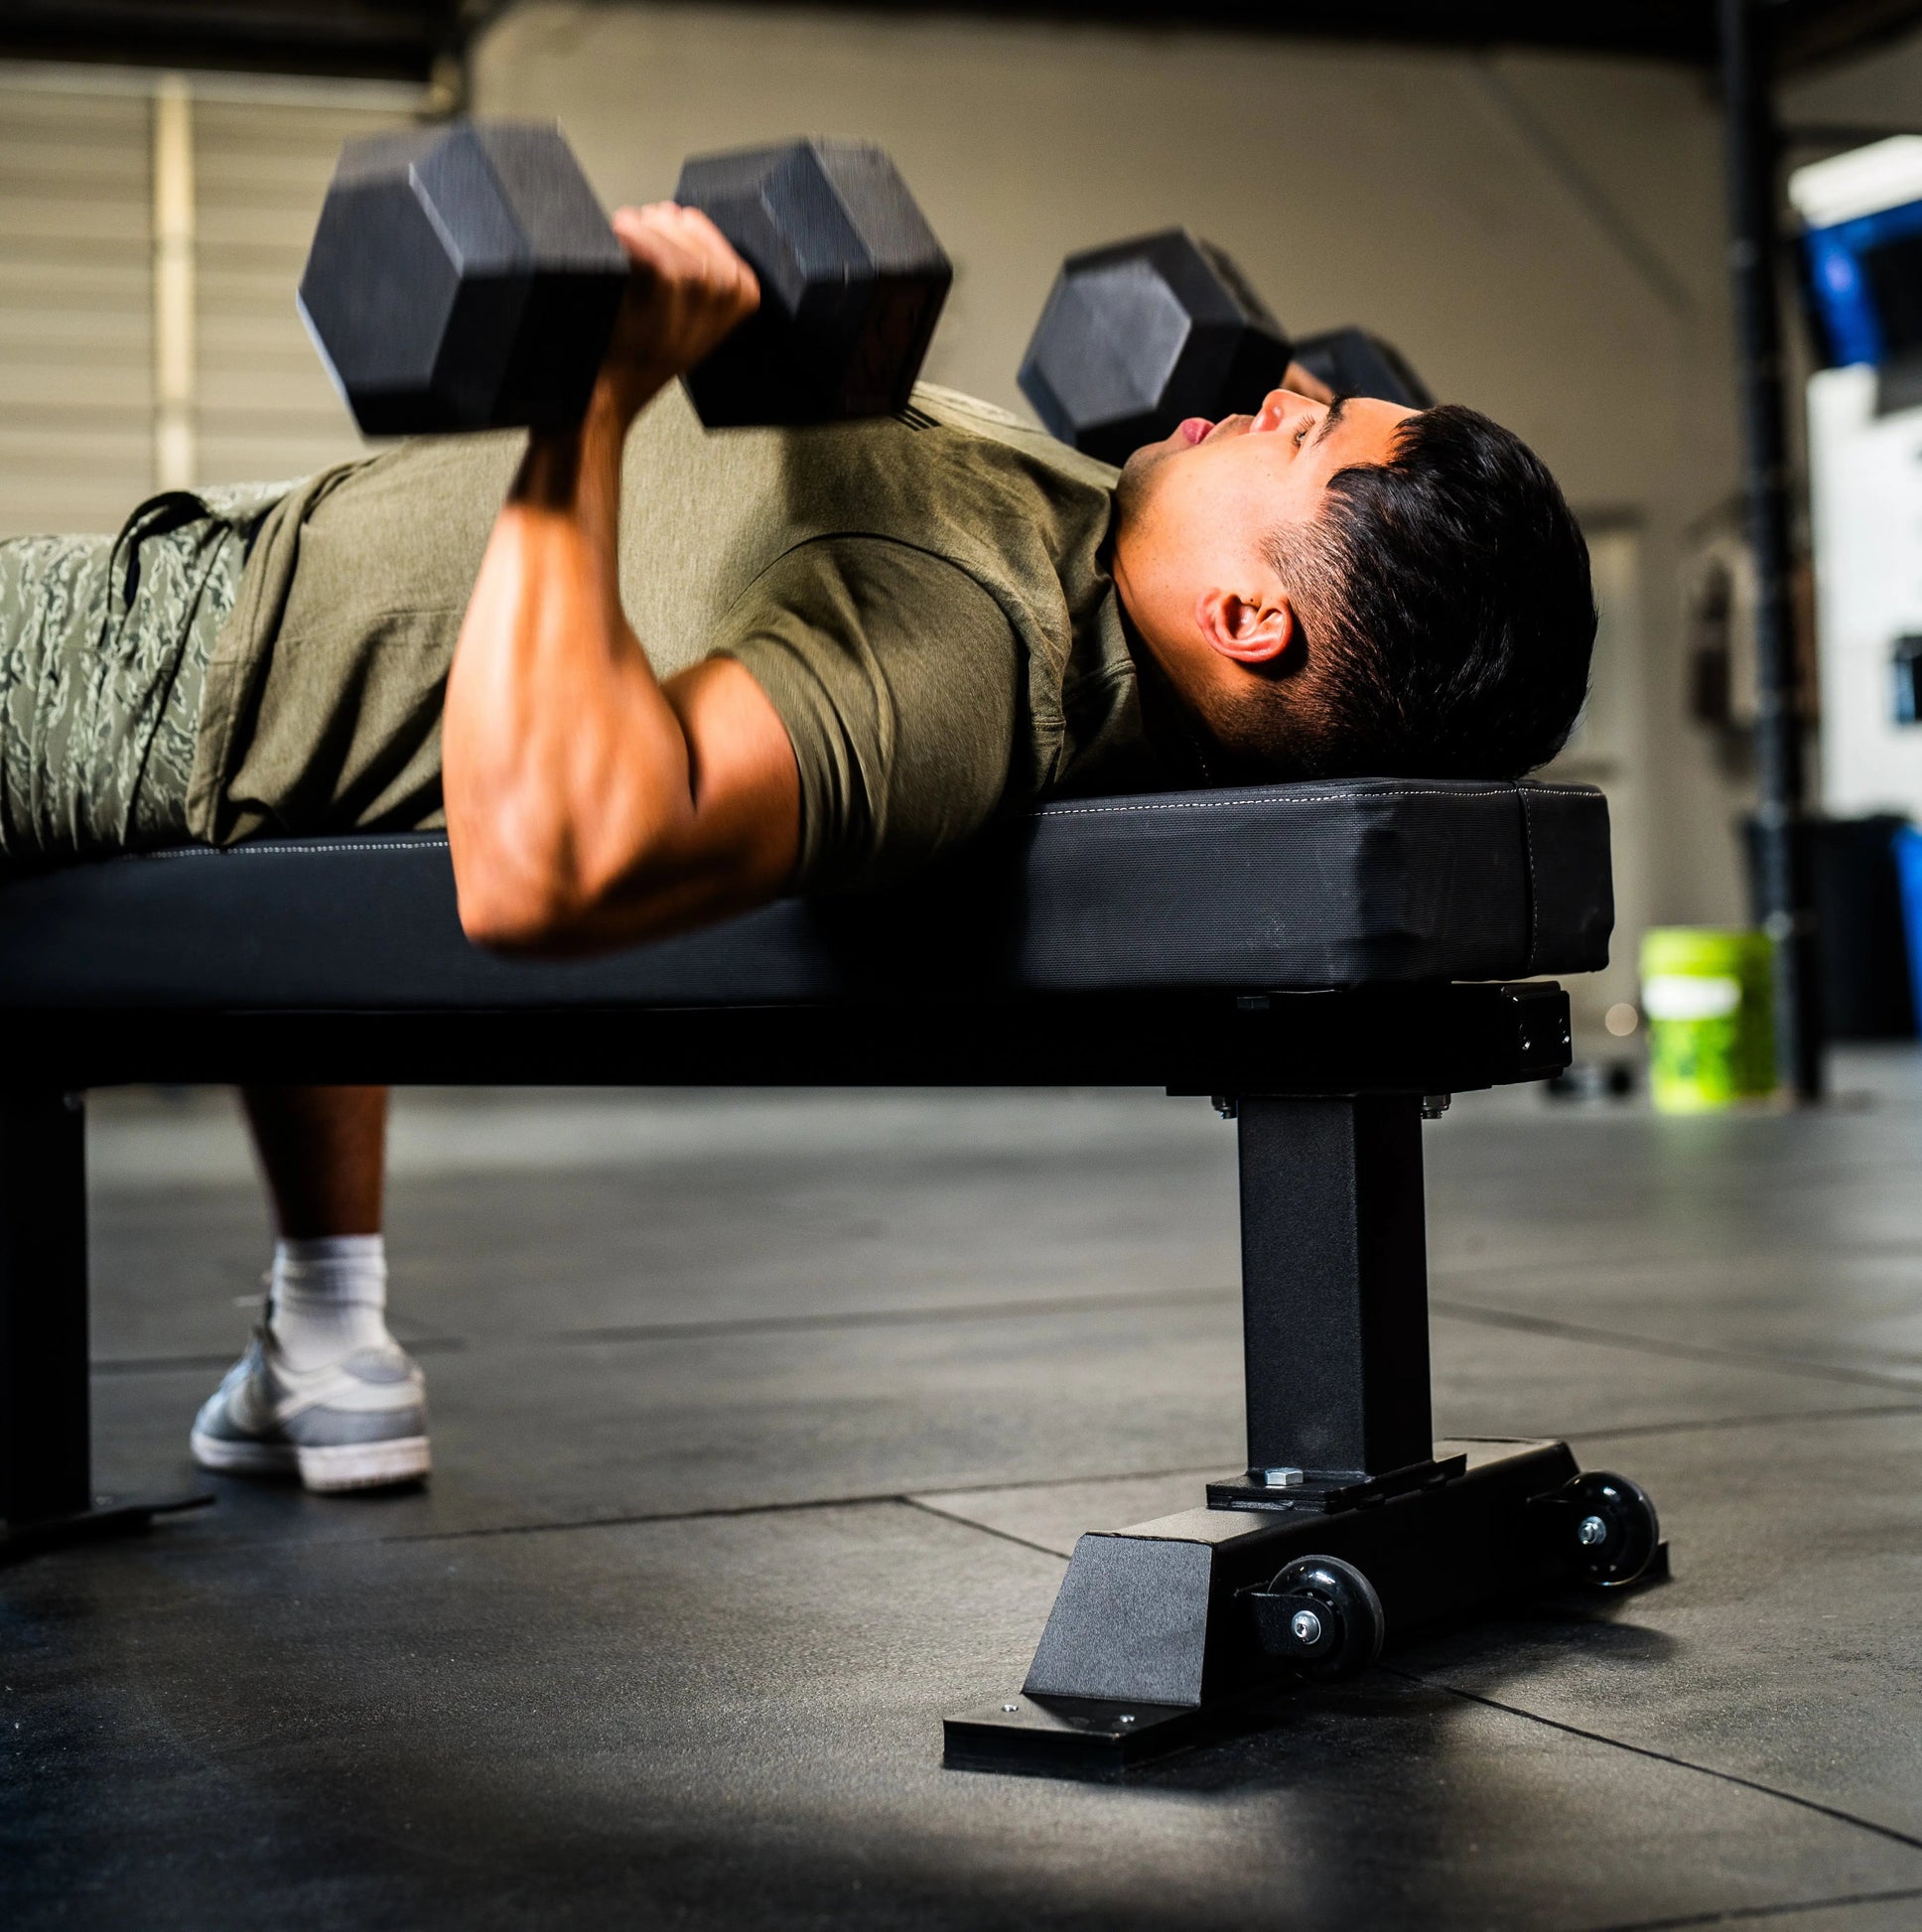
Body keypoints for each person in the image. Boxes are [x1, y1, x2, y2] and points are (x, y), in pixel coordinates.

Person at [0, 204, 1597, 1494]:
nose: (1278, 395)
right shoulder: (1091, 554)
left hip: (162, 679)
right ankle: (329, 1334)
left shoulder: (955, 655)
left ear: (1249, 619)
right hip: (250, 624)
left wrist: (588, 402)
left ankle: (328, 1328)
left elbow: (537, 853)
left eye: (1306, 440)